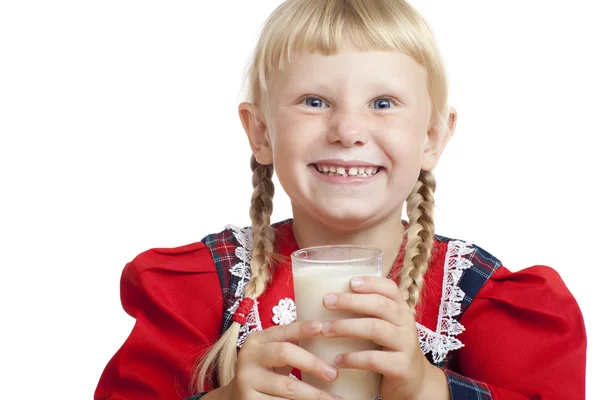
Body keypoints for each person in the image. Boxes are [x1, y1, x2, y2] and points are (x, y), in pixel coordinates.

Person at [94, 0, 587, 399]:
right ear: (261, 132)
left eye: (383, 103)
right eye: (314, 101)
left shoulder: (485, 301)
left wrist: (427, 389)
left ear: (433, 137)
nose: (348, 131)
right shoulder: (197, 290)